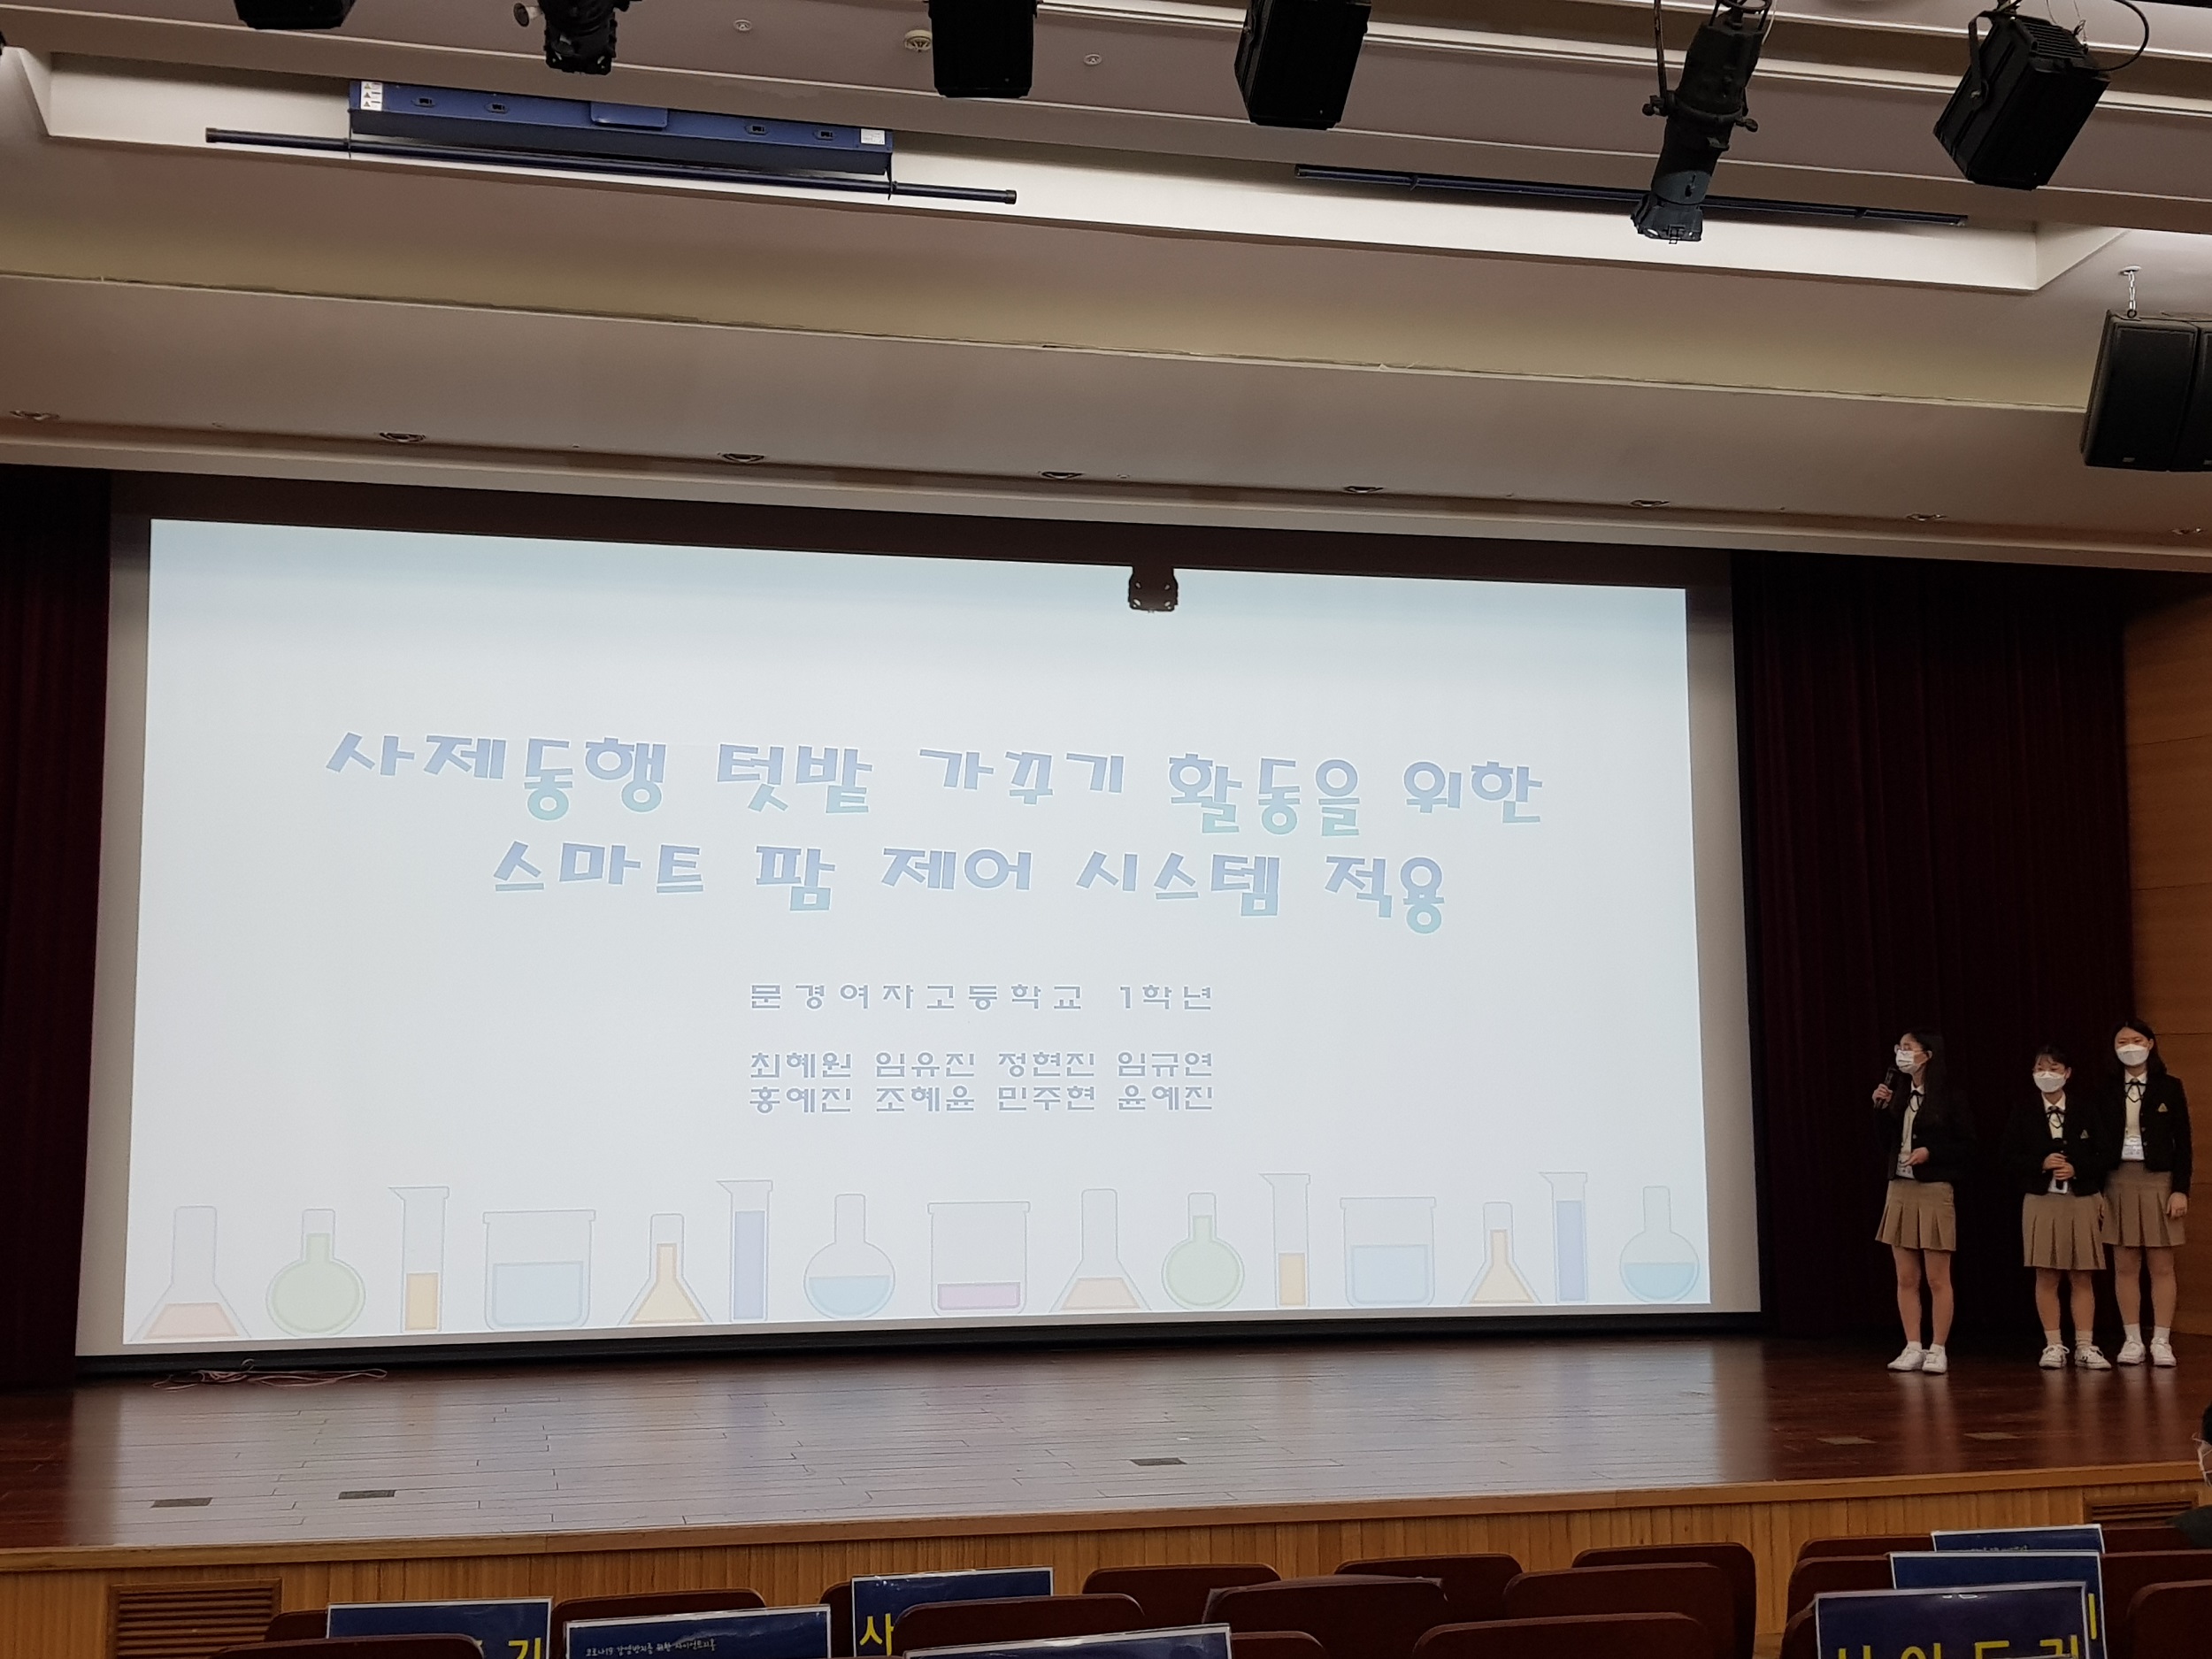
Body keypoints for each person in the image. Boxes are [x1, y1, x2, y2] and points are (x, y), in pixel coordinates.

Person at [2001, 1045, 2111, 1370]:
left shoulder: (2086, 1109)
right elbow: (2007, 1158)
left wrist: (2077, 1169)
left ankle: (2085, 1346)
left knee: (2081, 1276)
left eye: (2053, 1068)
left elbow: (2105, 1155)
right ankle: (2053, 1345)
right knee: (2047, 1275)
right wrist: (2040, 1163)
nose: (2046, 1075)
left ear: (2068, 1073)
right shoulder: (2023, 1110)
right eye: (2040, 1069)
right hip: (2041, 1201)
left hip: (2080, 1200)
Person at [1872, 1030, 1973, 1373]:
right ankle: (1912, 1345)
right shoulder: (1899, 1095)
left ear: (1927, 1055)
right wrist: (1880, 1109)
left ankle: (1938, 1348)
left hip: (1934, 1188)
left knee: (1937, 1278)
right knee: (1906, 1277)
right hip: (1900, 1188)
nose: (1901, 1054)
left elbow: (1968, 1146)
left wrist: (1932, 1152)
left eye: (1908, 1048)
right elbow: (1885, 1142)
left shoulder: (1950, 1097)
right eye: (1898, 1048)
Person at [2103, 1018, 2193, 1367]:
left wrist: (2180, 1190)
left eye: (2136, 1040)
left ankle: (2161, 1340)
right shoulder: (2106, 1089)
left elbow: (2184, 1144)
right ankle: (2132, 1339)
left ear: (2151, 1044)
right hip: (2118, 1180)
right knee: (2125, 1265)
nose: (2130, 1047)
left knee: (2161, 1265)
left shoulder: (2169, 1087)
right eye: (2122, 1042)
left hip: (2159, 1181)